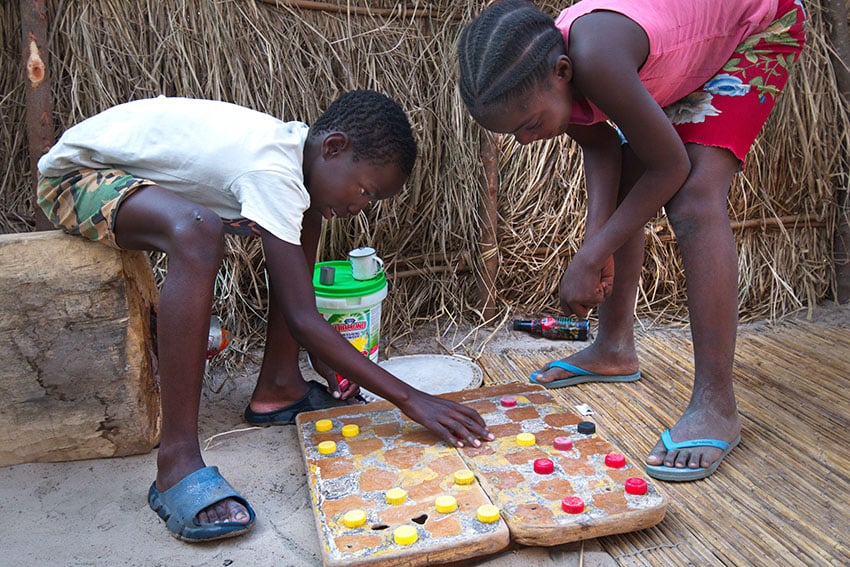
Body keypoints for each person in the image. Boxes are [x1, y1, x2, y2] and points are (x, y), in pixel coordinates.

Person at [37, 90, 494, 542]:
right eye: (364, 191)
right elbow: (303, 318)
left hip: (146, 184)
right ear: (333, 147)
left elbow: (303, 306)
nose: (359, 207)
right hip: (77, 181)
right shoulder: (272, 169)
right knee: (198, 231)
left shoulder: (297, 160)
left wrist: (327, 354)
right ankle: (176, 462)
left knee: (305, 215)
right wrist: (412, 400)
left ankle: (279, 388)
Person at [457, 0, 805, 481]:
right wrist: (592, 247)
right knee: (628, 193)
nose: (526, 140)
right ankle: (614, 348)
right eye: (513, 134)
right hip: (690, 55)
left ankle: (716, 404)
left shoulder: (597, 60)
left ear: (563, 72)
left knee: (693, 200)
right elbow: (603, 149)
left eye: (529, 124)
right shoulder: (552, 67)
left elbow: (671, 167)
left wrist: (593, 254)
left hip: (754, 28)